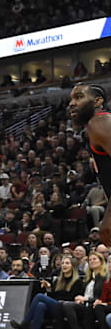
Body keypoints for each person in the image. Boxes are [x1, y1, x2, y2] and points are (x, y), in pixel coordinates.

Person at [68, 83, 111, 247]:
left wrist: (108, 216)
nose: (71, 103)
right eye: (71, 99)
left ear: (97, 101)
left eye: (79, 97)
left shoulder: (100, 121)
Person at [10, 256, 84, 329]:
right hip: (56, 307)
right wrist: (49, 289)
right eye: (63, 263)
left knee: (39, 296)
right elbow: (53, 297)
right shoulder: (58, 280)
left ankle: (24, 323)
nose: (64, 265)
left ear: (73, 266)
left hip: (66, 308)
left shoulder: (78, 282)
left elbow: (72, 298)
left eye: (67, 263)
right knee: (40, 306)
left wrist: (55, 298)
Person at [55, 251, 107, 329]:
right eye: (90, 259)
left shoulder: (104, 278)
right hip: (85, 304)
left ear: (101, 262)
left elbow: (102, 297)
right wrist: (80, 298)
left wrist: (87, 299)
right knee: (63, 304)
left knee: (67, 305)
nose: (92, 261)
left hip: (95, 305)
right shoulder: (88, 278)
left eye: (94, 259)